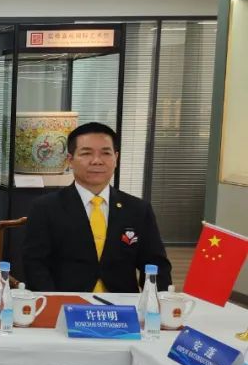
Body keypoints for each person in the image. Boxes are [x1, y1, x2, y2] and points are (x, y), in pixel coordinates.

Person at [23, 121, 172, 293]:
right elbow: (34, 265)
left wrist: (157, 302)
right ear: (70, 160)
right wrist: (54, 303)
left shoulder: (138, 209)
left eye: (106, 153)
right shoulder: (45, 208)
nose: (97, 161)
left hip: (122, 304)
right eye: (86, 153)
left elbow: (156, 264)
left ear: (116, 158)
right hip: (66, 302)